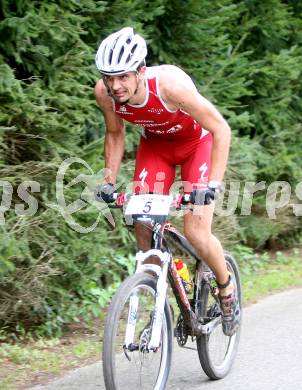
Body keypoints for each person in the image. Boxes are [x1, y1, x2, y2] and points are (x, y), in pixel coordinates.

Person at [94, 27, 240, 336]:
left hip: (196, 146)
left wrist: (211, 185)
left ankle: (226, 289)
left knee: (197, 233)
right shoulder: (104, 93)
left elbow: (221, 130)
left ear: (141, 71)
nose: (115, 85)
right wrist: (108, 181)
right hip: (156, 148)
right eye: (109, 77)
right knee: (143, 224)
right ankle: (166, 298)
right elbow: (115, 134)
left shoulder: (170, 86)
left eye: (123, 76)